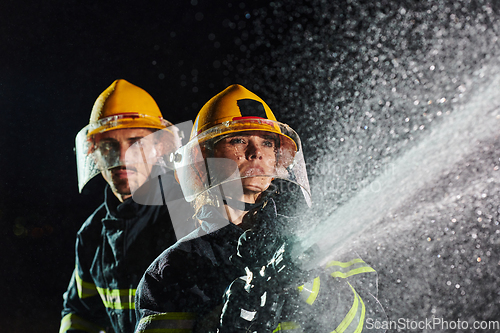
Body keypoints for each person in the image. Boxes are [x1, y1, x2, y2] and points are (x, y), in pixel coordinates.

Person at [134, 84, 384, 332]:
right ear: (203, 160)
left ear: (279, 157)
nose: (256, 153)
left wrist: (307, 283)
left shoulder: (315, 244)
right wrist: (212, 325)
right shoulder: (172, 267)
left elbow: (376, 325)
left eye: (267, 142)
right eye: (238, 140)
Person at [60, 79, 196, 333]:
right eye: (109, 145)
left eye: (136, 143)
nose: (123, 157)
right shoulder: (91, 235)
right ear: (93, 152)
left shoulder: (191, 216)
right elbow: (80, 315)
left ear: (159, 148)